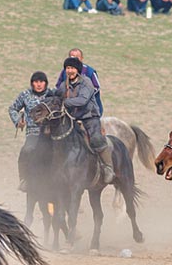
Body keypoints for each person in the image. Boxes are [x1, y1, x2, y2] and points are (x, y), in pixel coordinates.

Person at [57, 56, 114, 184]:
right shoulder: (63, 85)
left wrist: (65, 102)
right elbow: (57, 95)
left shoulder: (86, 82)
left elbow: (82, 100)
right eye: (67, 68)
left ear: (77, 70)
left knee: (96, 139)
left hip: (89, 117)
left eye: (72, 68)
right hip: (72, 118)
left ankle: (108, 167)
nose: (70, 71)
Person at [8, 71, 53, 191]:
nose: (38, 84)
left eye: (41, 82)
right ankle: (24, 179)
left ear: (45, 83)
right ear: (32, 83)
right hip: (34, 131)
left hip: (51, 132)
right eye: (36, 82)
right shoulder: (25, 95)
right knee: (26, 150)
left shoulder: (52, 94)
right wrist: (18, 121)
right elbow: (13, 108)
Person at [56, 48, 103, 115]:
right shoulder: (65, 72)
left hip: (89, 112)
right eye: (72, 57)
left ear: (82, 58)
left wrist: (77, 97)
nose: (70, 70)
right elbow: (59, 88)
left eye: (77, 57)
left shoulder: (89, 72)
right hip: (71, 111)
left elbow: (96, 87)